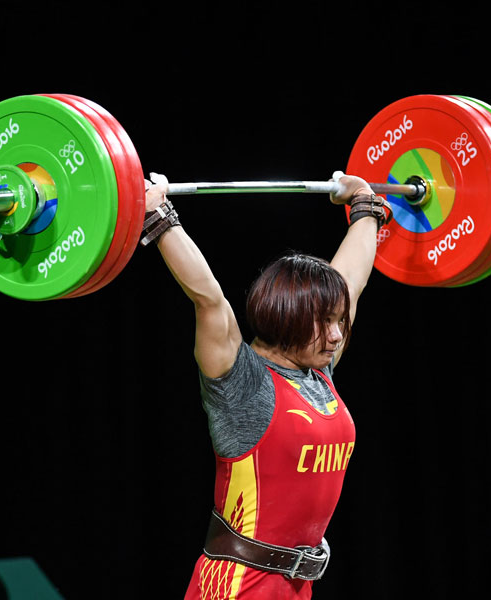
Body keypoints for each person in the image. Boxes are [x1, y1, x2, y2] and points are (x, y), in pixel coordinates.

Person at [142, 172, 391, 600]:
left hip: (296, 587)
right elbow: (208, 298)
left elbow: (352, 280)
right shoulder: (242, 383)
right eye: (325, 323)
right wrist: (159, 216)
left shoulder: (319, 369)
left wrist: (365, 204)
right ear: (287, 318)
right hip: (238, 585)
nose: (336, 336)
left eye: (339, 321)